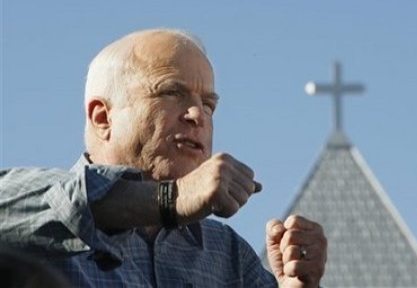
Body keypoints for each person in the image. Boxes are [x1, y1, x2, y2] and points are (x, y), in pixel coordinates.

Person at [0, 29, 327, 287]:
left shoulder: (228, 255)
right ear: (103, 117)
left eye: (209, 104)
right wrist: (169, 199)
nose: (197, 114)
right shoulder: (33, 227)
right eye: (171, 92)